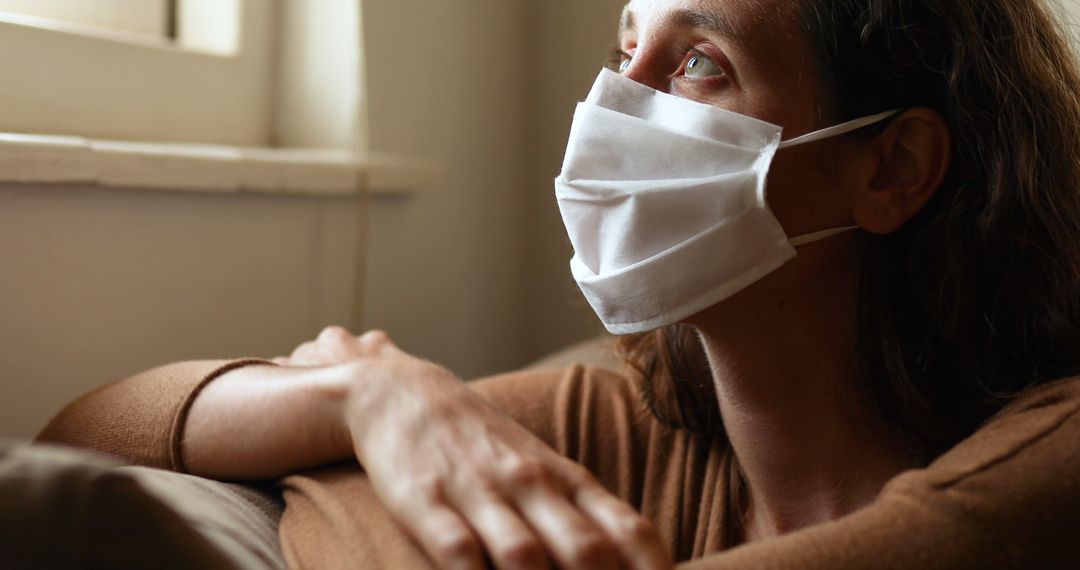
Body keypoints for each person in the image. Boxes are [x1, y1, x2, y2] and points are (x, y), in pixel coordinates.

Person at [37, 0, 1080, 568]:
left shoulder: (1053, 455)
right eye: (628, 44)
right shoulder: (628, 427)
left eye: (699, 63)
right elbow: (80, 441)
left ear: (890, 168)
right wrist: (372, 395)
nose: (611, 105)